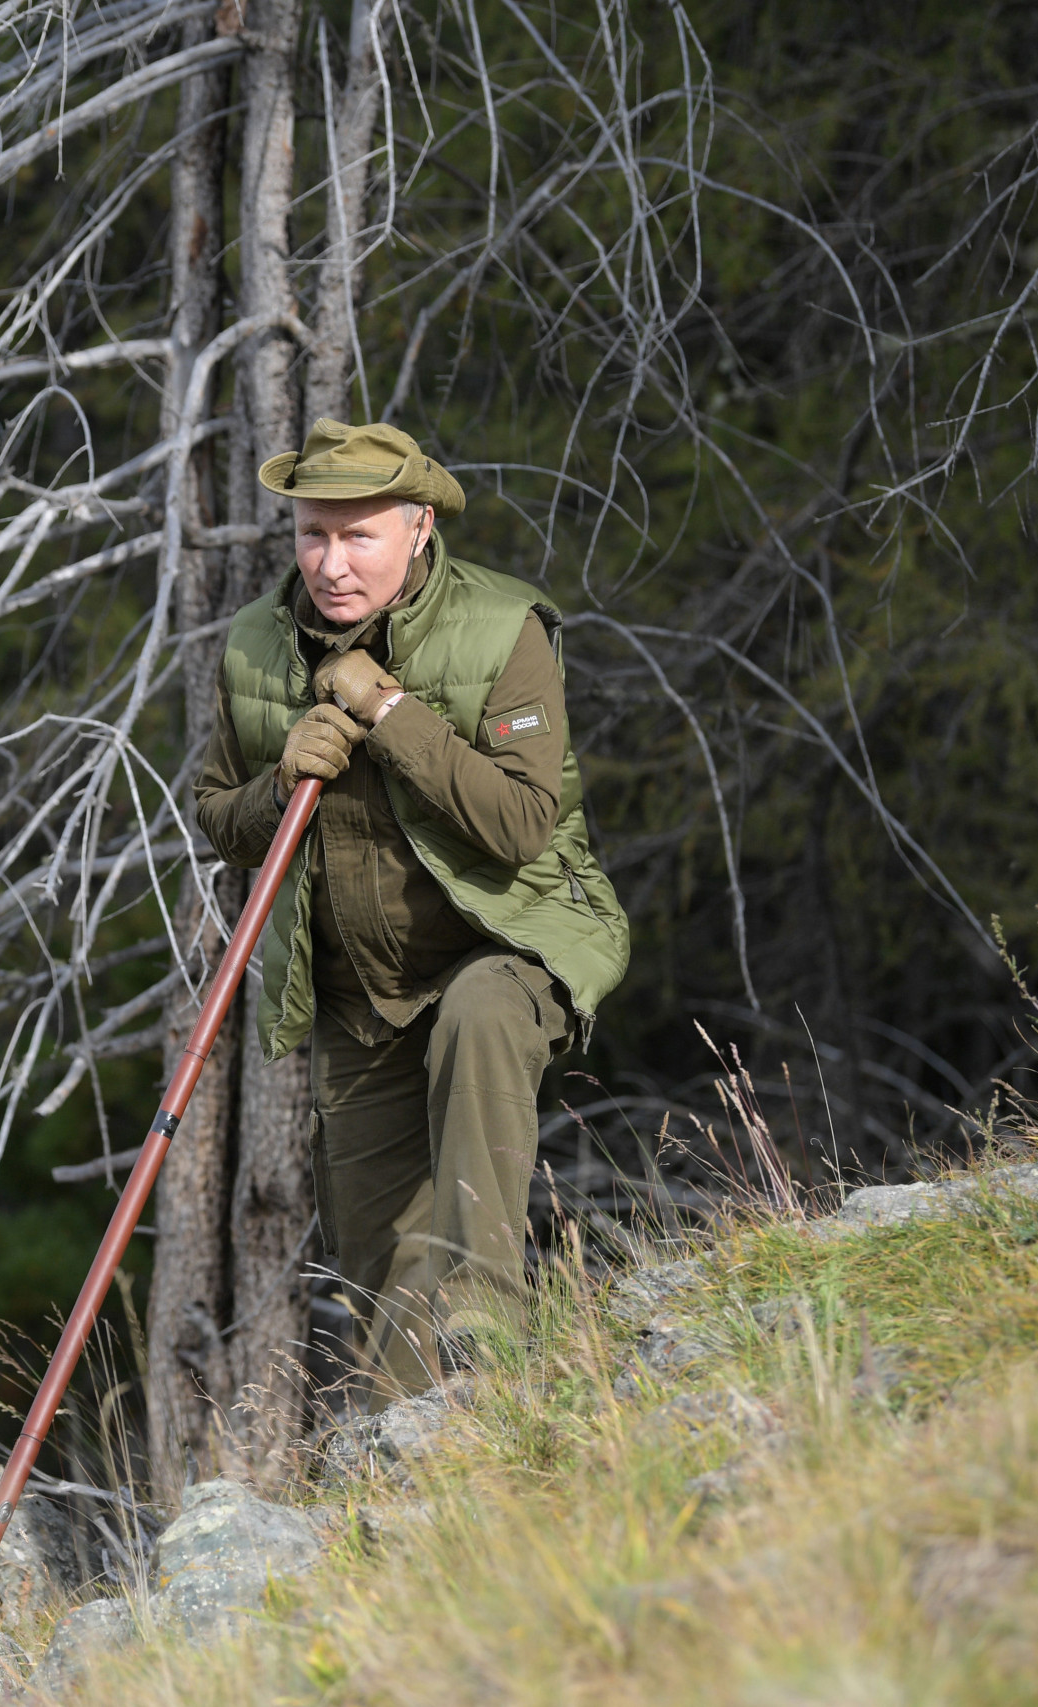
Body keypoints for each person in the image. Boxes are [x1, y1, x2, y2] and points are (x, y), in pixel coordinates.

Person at [194, 418, 631, 1399]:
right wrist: (277, 786)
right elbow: (218, 813)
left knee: (477, 1017)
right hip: (363, 994)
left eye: (359, 537)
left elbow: (521, 822)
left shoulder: (502, 629)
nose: (331, 562)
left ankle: (486, 1320)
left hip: (509, 941)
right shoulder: (258, 649)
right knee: (380, 1275)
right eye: (312, 534)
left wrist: (392, 717)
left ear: (418, 527)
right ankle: (422, 1473)